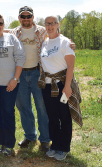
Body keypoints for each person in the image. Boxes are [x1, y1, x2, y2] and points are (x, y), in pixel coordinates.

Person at [11, 6, 75, 152]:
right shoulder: (14, 32)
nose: (26, 19)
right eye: (23, 16)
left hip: (38, 73)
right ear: (19, 17)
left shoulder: (43, 30)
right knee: (23, 106)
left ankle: (45, 139)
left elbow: (57, 38)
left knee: (42, 107)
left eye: (29, 16)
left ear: (33, 17)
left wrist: (71, 45)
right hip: (19, 73)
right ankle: (30, 136)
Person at [37, 16, 82, 161]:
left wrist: (68, 86)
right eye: (47, 24)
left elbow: (70, 66)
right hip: (48, 86)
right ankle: (55, 145)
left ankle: (64, 148)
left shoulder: (65, 42)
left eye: (52, 23)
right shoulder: (44, 42)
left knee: (64, 116)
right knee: (52, 117)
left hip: (62, 84)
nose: (49, 26)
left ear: (57, 24)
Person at [0, 14, 26, 156]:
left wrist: (15, 78)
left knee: (8, 113)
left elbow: (21, 58)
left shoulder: (11, 38)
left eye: (0, 23)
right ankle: (0, 142)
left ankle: (9, 144)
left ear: (4, 24)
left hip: (9, 84)